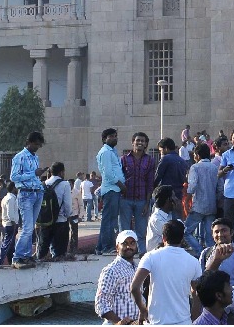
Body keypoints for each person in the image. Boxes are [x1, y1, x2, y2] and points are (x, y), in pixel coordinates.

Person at [130, 219, 202, 325]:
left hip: (156, 322)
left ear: (163, 237)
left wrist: (142, 309)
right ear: (182, 238)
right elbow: (197, 293)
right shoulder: (194, 262)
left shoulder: (150, 257)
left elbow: (134, 288)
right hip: (184, 322)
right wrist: (192, 319)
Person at [10, 130, 46, 269]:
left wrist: (39, 175)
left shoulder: (35, 157)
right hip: (25, 194)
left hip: (37, 192)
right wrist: (33, 173)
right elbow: (14, 177)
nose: (37, 147)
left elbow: (34, 176)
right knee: (27, 227)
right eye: (36, 144)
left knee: (31, 228)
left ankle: (26, 255)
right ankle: (17, 257)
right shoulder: (20, 157)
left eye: (39, 145)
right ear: (29, 142)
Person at [94, 230, 140, 325]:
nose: (129, 247)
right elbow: (101, 303)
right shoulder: (111, 270)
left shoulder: (137, 269)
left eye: (132, 243)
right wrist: (118, 322)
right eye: (124, 243)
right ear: (117, 247)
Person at [122, 132, 155, 255]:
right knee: (125, 230)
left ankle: (142, 253)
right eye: (138, 140)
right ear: (133, 142)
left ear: (146, 144)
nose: (140, 143)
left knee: (141, 231)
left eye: (143, 141)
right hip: (125, 199)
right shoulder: (124, 159)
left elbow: (150, 183)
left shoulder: (150, 161)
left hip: (142, 200)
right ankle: (125, 253)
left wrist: (147, 203)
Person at [95, 128, 125, 256]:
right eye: (111, 136)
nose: (114, 138)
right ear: (104, 139)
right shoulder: (106, 152)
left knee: (110, 219)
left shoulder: (113, 151)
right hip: (111, 189)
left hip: (115, 189)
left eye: (115, 136)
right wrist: (120, 184)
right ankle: (107, 246)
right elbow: (108, 173)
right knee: (109, 220)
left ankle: (100, 247)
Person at [200, 217, 234, 286]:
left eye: (224, 231)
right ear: (212, 234)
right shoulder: (205, 253)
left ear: (231, 232)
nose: (220, 235)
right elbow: (201, 281)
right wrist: (216, 260)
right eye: (216, 232)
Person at [186, 143, 218, 250]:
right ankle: (210, 256)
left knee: (186, 232)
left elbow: (192, 185)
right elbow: (220, 187)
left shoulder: (195, 167)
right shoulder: (214, 168)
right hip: (212, 205)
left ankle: (200, 252)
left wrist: (187, 200)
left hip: (198, 205)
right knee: (210, 237)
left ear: (197, 155)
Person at [41, 162, 73, 261]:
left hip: (46, 221)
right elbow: (67, 204)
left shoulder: (44, 183)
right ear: (61, 172)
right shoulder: (65, 184)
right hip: (60, 221)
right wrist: (68, 215)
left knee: (43, 251)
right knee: (59, 253)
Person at [0, 182, 19, 267]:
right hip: (10, 224)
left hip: (7, 224)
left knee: (11, 246)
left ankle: (11, 262)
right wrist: (14, 224)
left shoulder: (6, 198)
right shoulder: (11, 199)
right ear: (13, 188)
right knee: (6, 245)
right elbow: (10, 214)